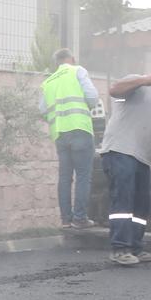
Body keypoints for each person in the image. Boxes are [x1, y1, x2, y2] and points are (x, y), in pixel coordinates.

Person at [97, 60, 151, 266]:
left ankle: (136, 246)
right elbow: (114, 90)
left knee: (140, 206)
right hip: (120, 151)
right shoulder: (138, 84)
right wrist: (146, 80)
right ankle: (119, 249)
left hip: (140, 157)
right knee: (123, 202)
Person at [40, 48, 100, 230]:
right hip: (80, 128)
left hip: (59, 133)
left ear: (56, 62)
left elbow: (43, 111)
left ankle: (66, 219)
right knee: (83, 176)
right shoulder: (78, 71)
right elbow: (92, 96)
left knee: (65, 177)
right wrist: (85, 108)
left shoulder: (48, 82)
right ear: (71, 59)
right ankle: (80, 218)